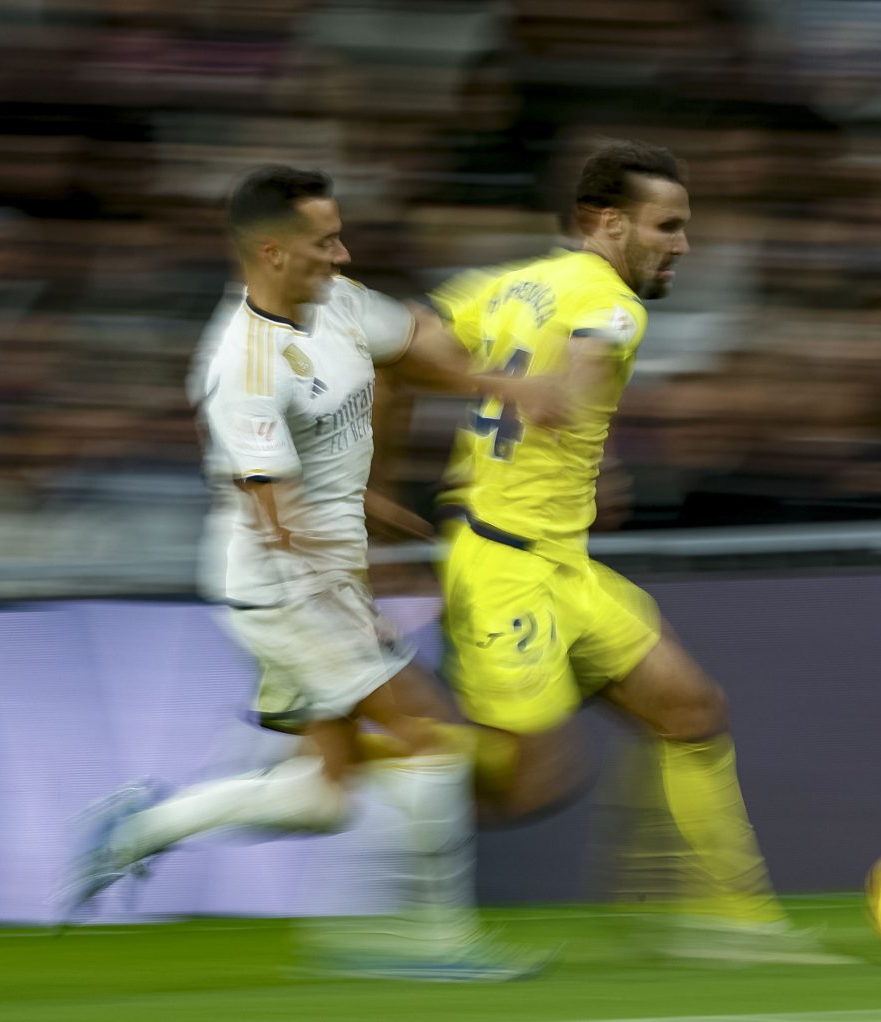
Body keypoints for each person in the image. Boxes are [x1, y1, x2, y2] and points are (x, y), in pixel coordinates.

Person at [58, 165, 552, 981]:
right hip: (283, 587)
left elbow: (413, 339)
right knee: (427, 737)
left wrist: (501, 386)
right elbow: (275, 518)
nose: (341, 253)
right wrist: (351, 603)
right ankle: (430, 940)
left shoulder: (338, 301)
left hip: (312, 580)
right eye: (325, 241)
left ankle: (140, 829)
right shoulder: (240, 365)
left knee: (325, 794)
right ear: (272, 252)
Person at [430, 140, 848, 963]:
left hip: (560, 563)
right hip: (504, 568)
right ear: (608, 222)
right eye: (667, 226)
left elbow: (407, 341)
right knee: (530, 783)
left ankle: (727, 922)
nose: (682, 245)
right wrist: (562, 395)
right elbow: (587, 360)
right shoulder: (613, 305)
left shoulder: (510, 284)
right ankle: (373, 757)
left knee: (690, 710)